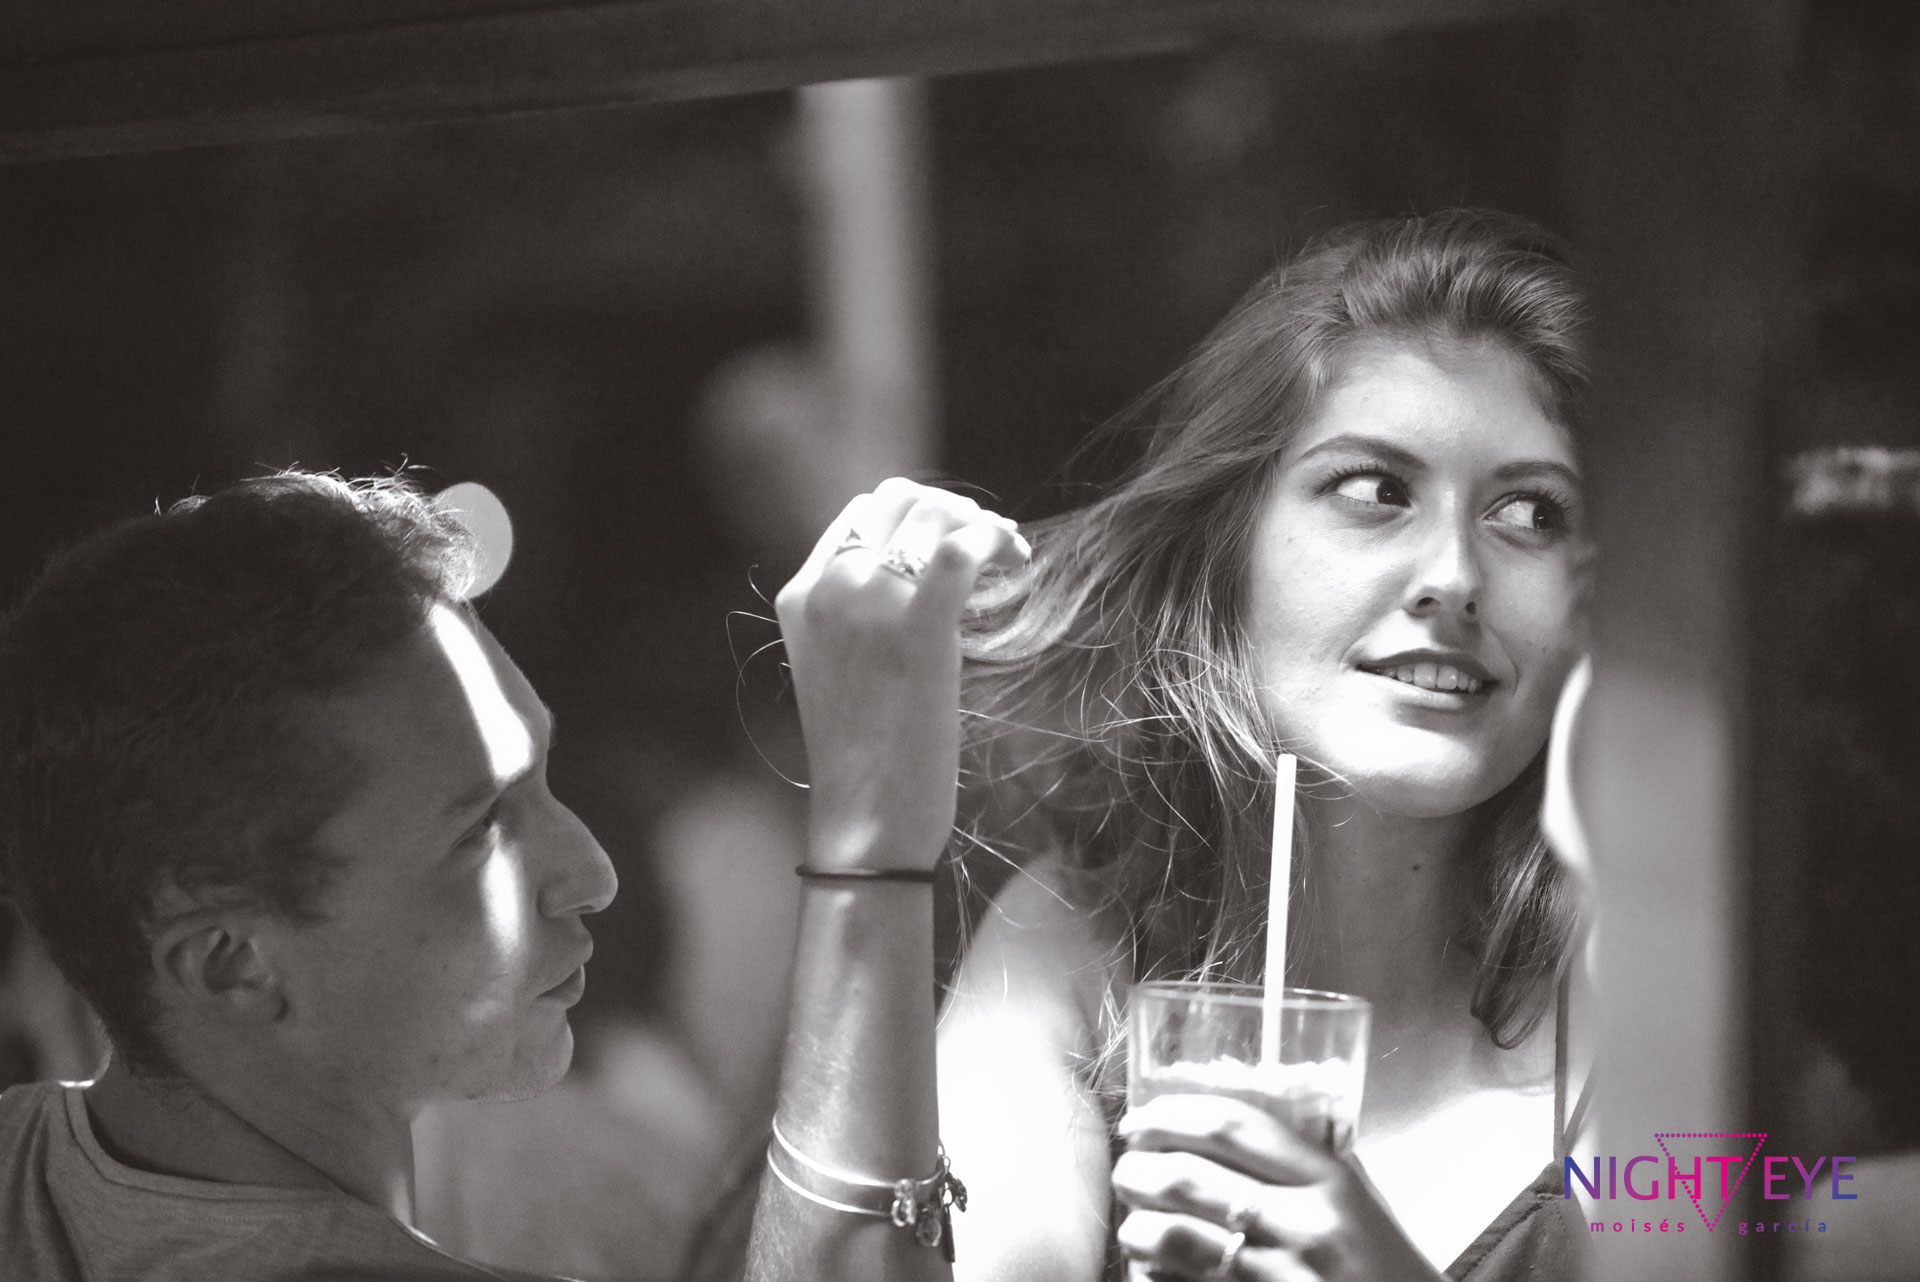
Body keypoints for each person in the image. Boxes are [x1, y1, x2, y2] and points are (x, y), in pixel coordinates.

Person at [751, 210, 1595, 1282]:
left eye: (1531, 513)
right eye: (1377, 491)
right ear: (1226, 552)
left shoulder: (1649, 1003)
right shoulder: (1082, 946)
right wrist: (867, 848)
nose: (1455, 577)